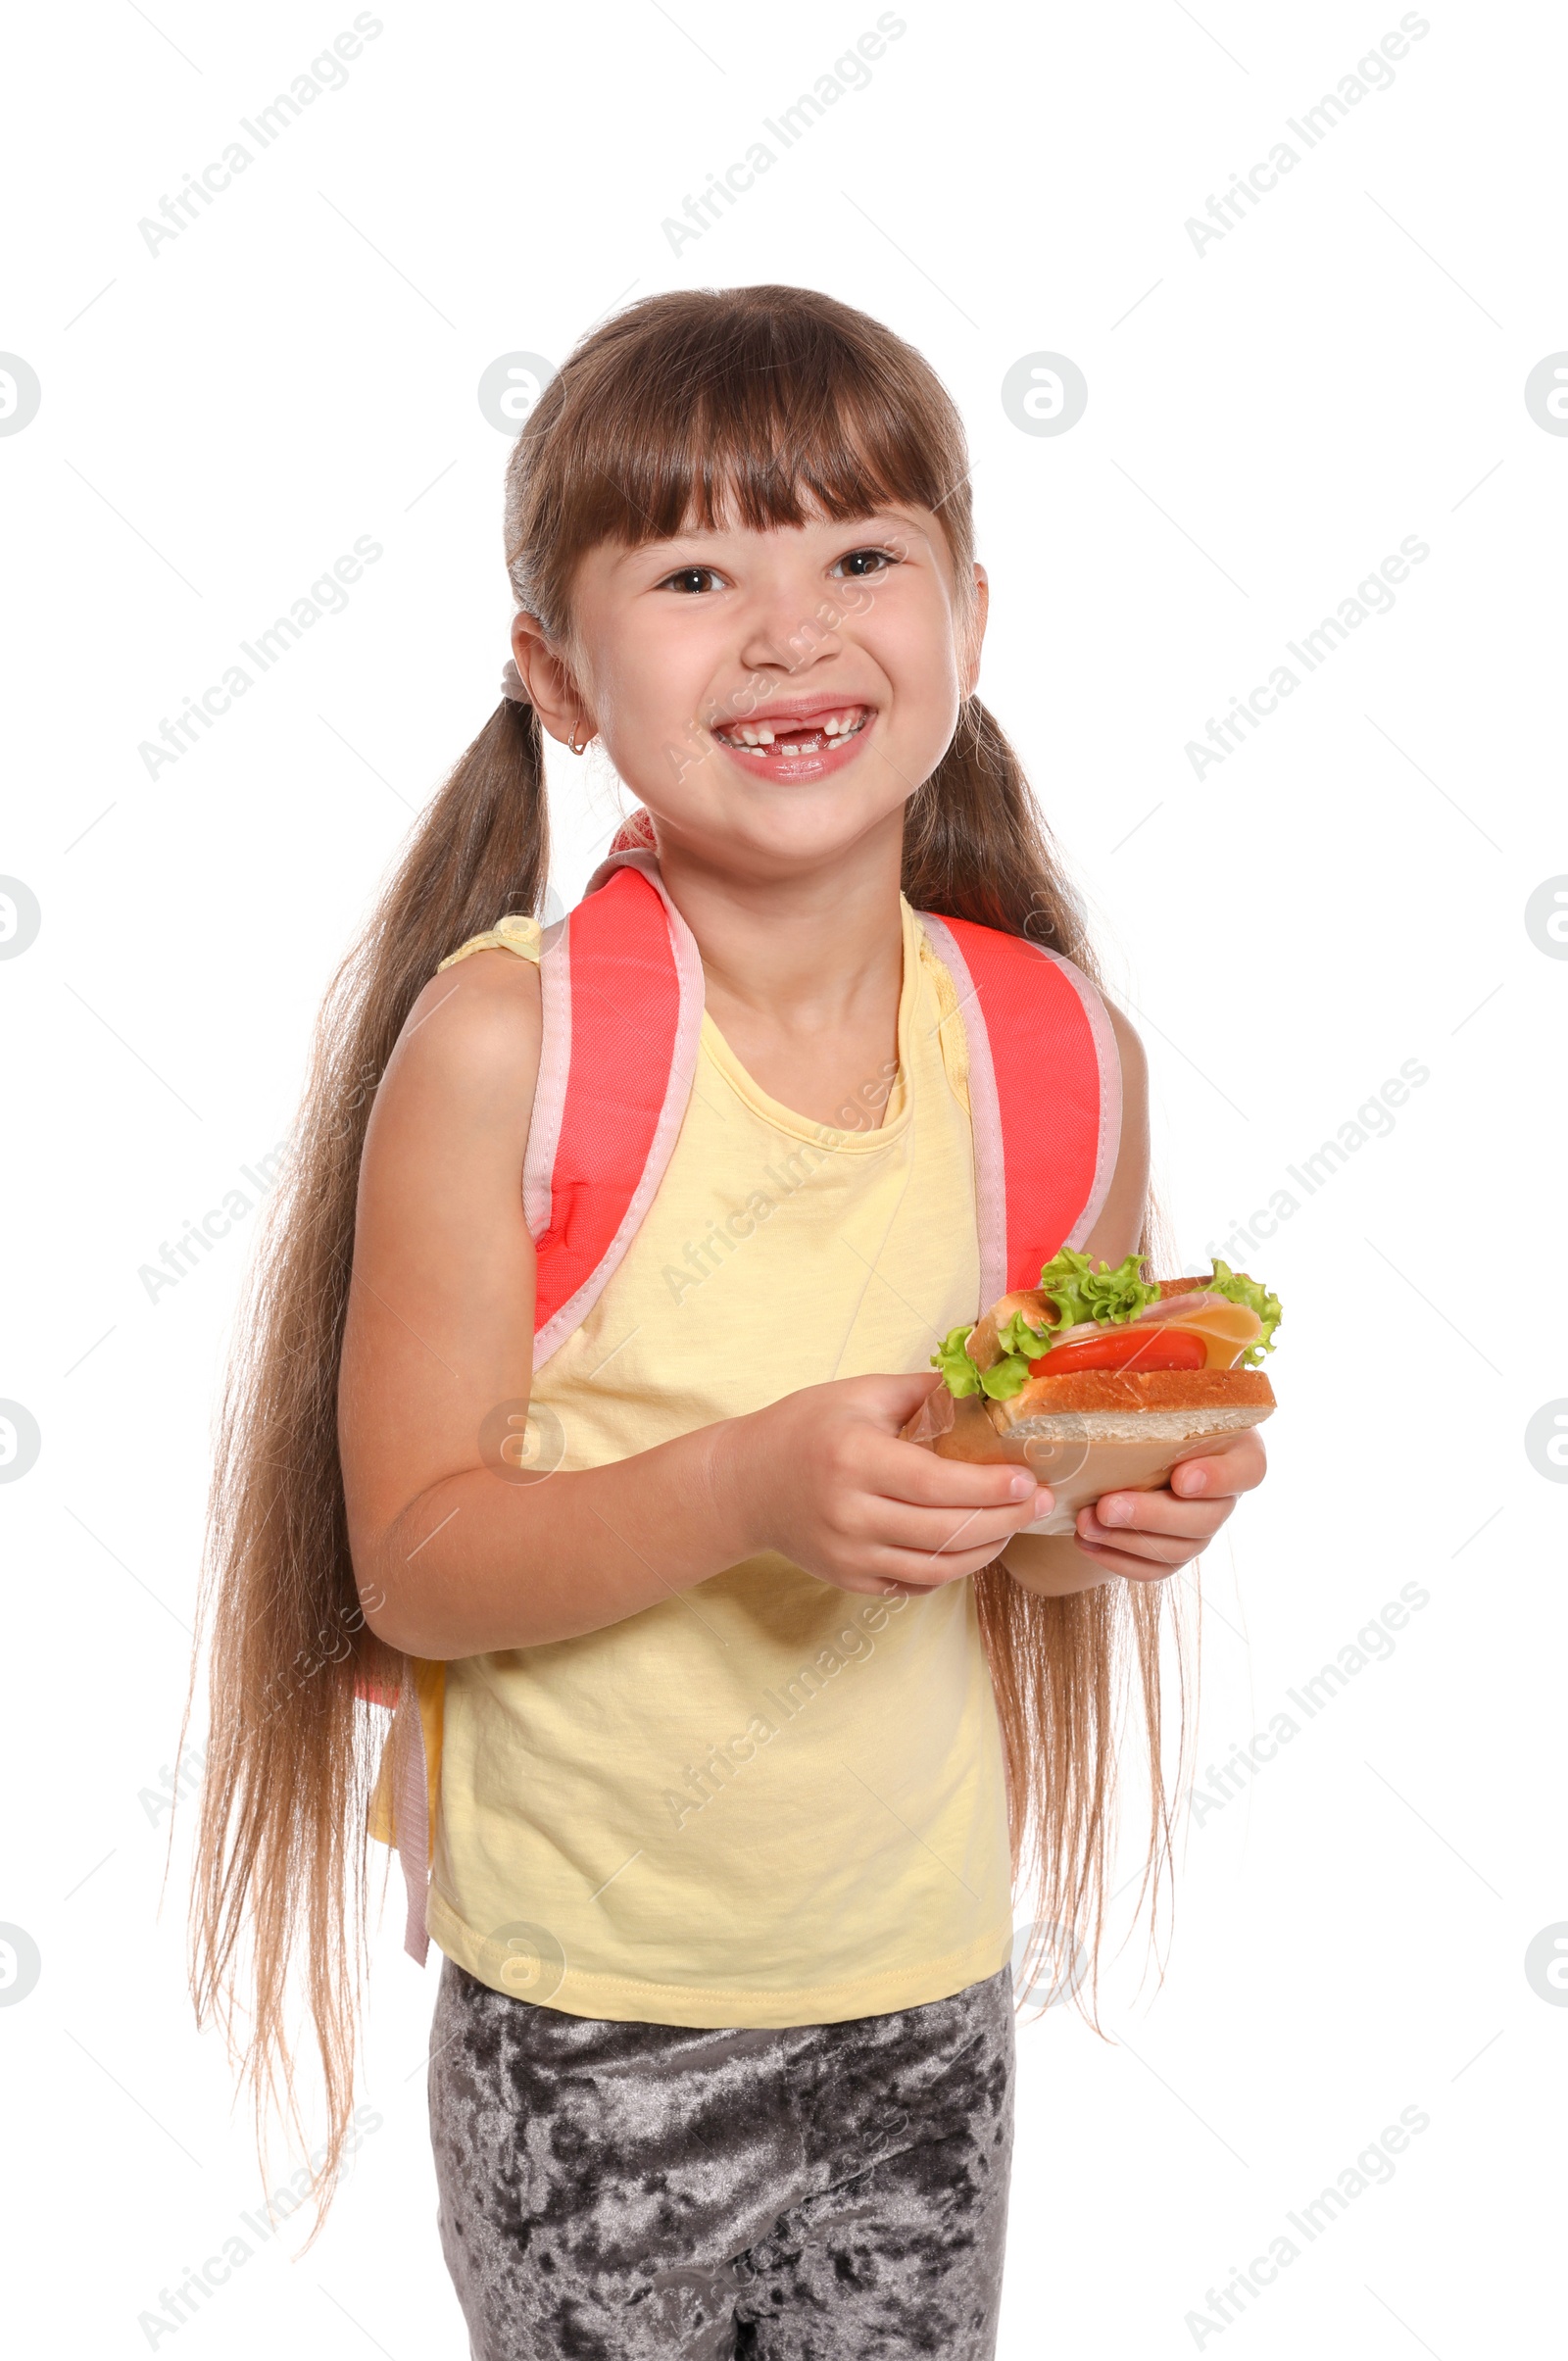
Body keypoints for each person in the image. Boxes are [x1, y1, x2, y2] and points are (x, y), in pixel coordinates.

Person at [192, 284, 1265, 2359]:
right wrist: (752, 1480)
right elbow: (411, 1553)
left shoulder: (1054, 1047)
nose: (789, 629)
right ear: (557, 674)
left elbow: (1018, 1545)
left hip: (923, 1985)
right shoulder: (516, 1034)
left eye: (858, 555)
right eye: (694, 571)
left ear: (967, 607)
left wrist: (1112, 1505)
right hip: (596, 2014)